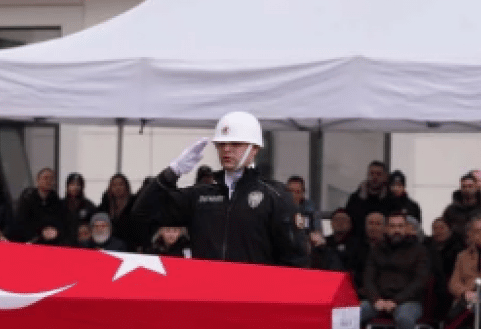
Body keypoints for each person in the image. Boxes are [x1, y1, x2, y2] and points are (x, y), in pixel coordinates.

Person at [133, 111, 305, 267]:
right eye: (221, 144)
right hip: (208, 289)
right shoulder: (200, 194)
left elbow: (295, 260)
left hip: (254, 290)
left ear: (255, 149)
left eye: (235, 144)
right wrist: (173, 172)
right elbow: (142, 213)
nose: (226, 149)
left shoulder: (276, 196)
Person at [360, 213, 429, 329]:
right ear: (386, 229)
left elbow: (420, 282)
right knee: (351, 314)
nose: (396, 230)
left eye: (400, 226)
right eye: (392, 226)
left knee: (405, 319)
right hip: (378, 299)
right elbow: (368, 279)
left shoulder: (420, 250)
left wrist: (396, 301)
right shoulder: (376, 250)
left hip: (408, 300)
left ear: (406, 228)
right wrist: (376, 299)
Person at [424, 216, 464, 324]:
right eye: (435, 228)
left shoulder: (458, 247)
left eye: (441, 228)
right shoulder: (427, 246)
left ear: (449, 229)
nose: (438, 231)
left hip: (452, 282)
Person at [11, 167, 67, 243]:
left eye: (51, 179)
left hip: (51, 238)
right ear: (38, 180)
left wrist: (55, 231)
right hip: (31, 238)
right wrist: (40, 232)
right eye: (45, 178)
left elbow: (59, 220)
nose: (48, 181)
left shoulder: (55, 199)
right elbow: (21, 222)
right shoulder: (28, 198)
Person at [442, 172, 481, 241]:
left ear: (476, 187)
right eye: (464, 186)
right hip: (458, 245)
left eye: (470, 186)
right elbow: (444, 228)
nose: (467, 189)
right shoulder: (451, 210)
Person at [98, 173, 142, 251]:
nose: (118, 188)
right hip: (110, 246)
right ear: (110, 188)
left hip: (130, 246)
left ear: (126, 187)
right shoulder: (105, 205)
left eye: (121, 184)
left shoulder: (134, 204)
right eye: (114, 185)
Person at [344, 161, 391, 233]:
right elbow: (348, 221)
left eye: (378, 174)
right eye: (371, 173)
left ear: (385, 177)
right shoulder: (355, 198)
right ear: (367, 175)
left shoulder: (391, 199)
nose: (374, 177)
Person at [61, 172, 97, 239]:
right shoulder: (60, 204)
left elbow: (95, 224)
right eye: (72, 184)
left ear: (82, 187)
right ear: (67, 186)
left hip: (83, 241)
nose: (75, 187)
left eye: (78, 184)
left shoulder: (89, 205)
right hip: (63, 241)